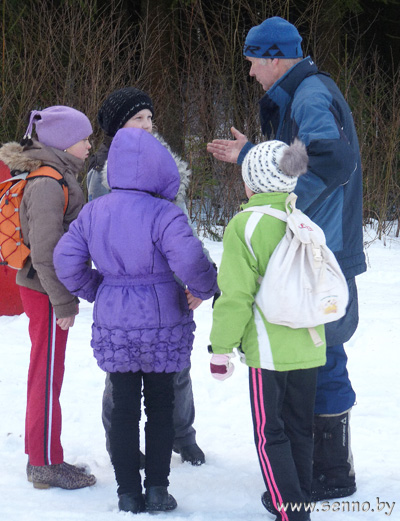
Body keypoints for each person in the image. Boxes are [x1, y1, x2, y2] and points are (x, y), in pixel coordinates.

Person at [207, 16, 366, 503]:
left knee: (325, 350)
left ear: (275, 56)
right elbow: (305, 156)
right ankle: (320, 468)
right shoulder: (302, 91)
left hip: (321, 247)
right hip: (316, 243)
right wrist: (255, 154)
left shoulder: (310, 94)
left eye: (253, 61)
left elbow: (332, 160)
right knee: (318, 350)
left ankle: (330, 471)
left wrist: (288, 204)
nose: (251, 72)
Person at [53, 127, 218, 513]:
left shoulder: (95, 211)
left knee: (124, 407)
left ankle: (128, 493)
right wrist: (203, 287)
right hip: (164, 319)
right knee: (161, 406)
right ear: (160, 168)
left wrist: (97, 287)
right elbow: (191, 259)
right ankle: (158, 490)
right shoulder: (165, 213)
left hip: (116, 323)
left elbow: (65, 260)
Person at [87, 87, 213, 466]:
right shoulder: (102, 174)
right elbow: (98, 233)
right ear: (117, 127)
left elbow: (183, 230)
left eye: (149, 117)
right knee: (121, 374)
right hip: (126, 289)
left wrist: (195, 278)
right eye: (137, 118)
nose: (147, 124)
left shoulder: (165, 163)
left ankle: (181, 435)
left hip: (170, 283)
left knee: (176, 367)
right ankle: (120, 443)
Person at [209, 139, 326, 521]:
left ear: (251, 183)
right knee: (298, 429)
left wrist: (220, 348)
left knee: (269, 433)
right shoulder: (304, 221)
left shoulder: (245, 225)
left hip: (269, 350)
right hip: (309, 344)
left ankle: (290, 512)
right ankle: (297, 503)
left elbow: (235, 295)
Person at [0, 106, 96, 490]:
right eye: (84, 138)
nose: (90, 145)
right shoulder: (46, 183)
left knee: (47, 373)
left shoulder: (58, 176)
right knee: (46, 375)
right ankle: (42, 463)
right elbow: (44, 252)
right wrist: (64, 302)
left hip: (46, 289)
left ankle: (46, 455)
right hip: (44, 290)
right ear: (62, 142)